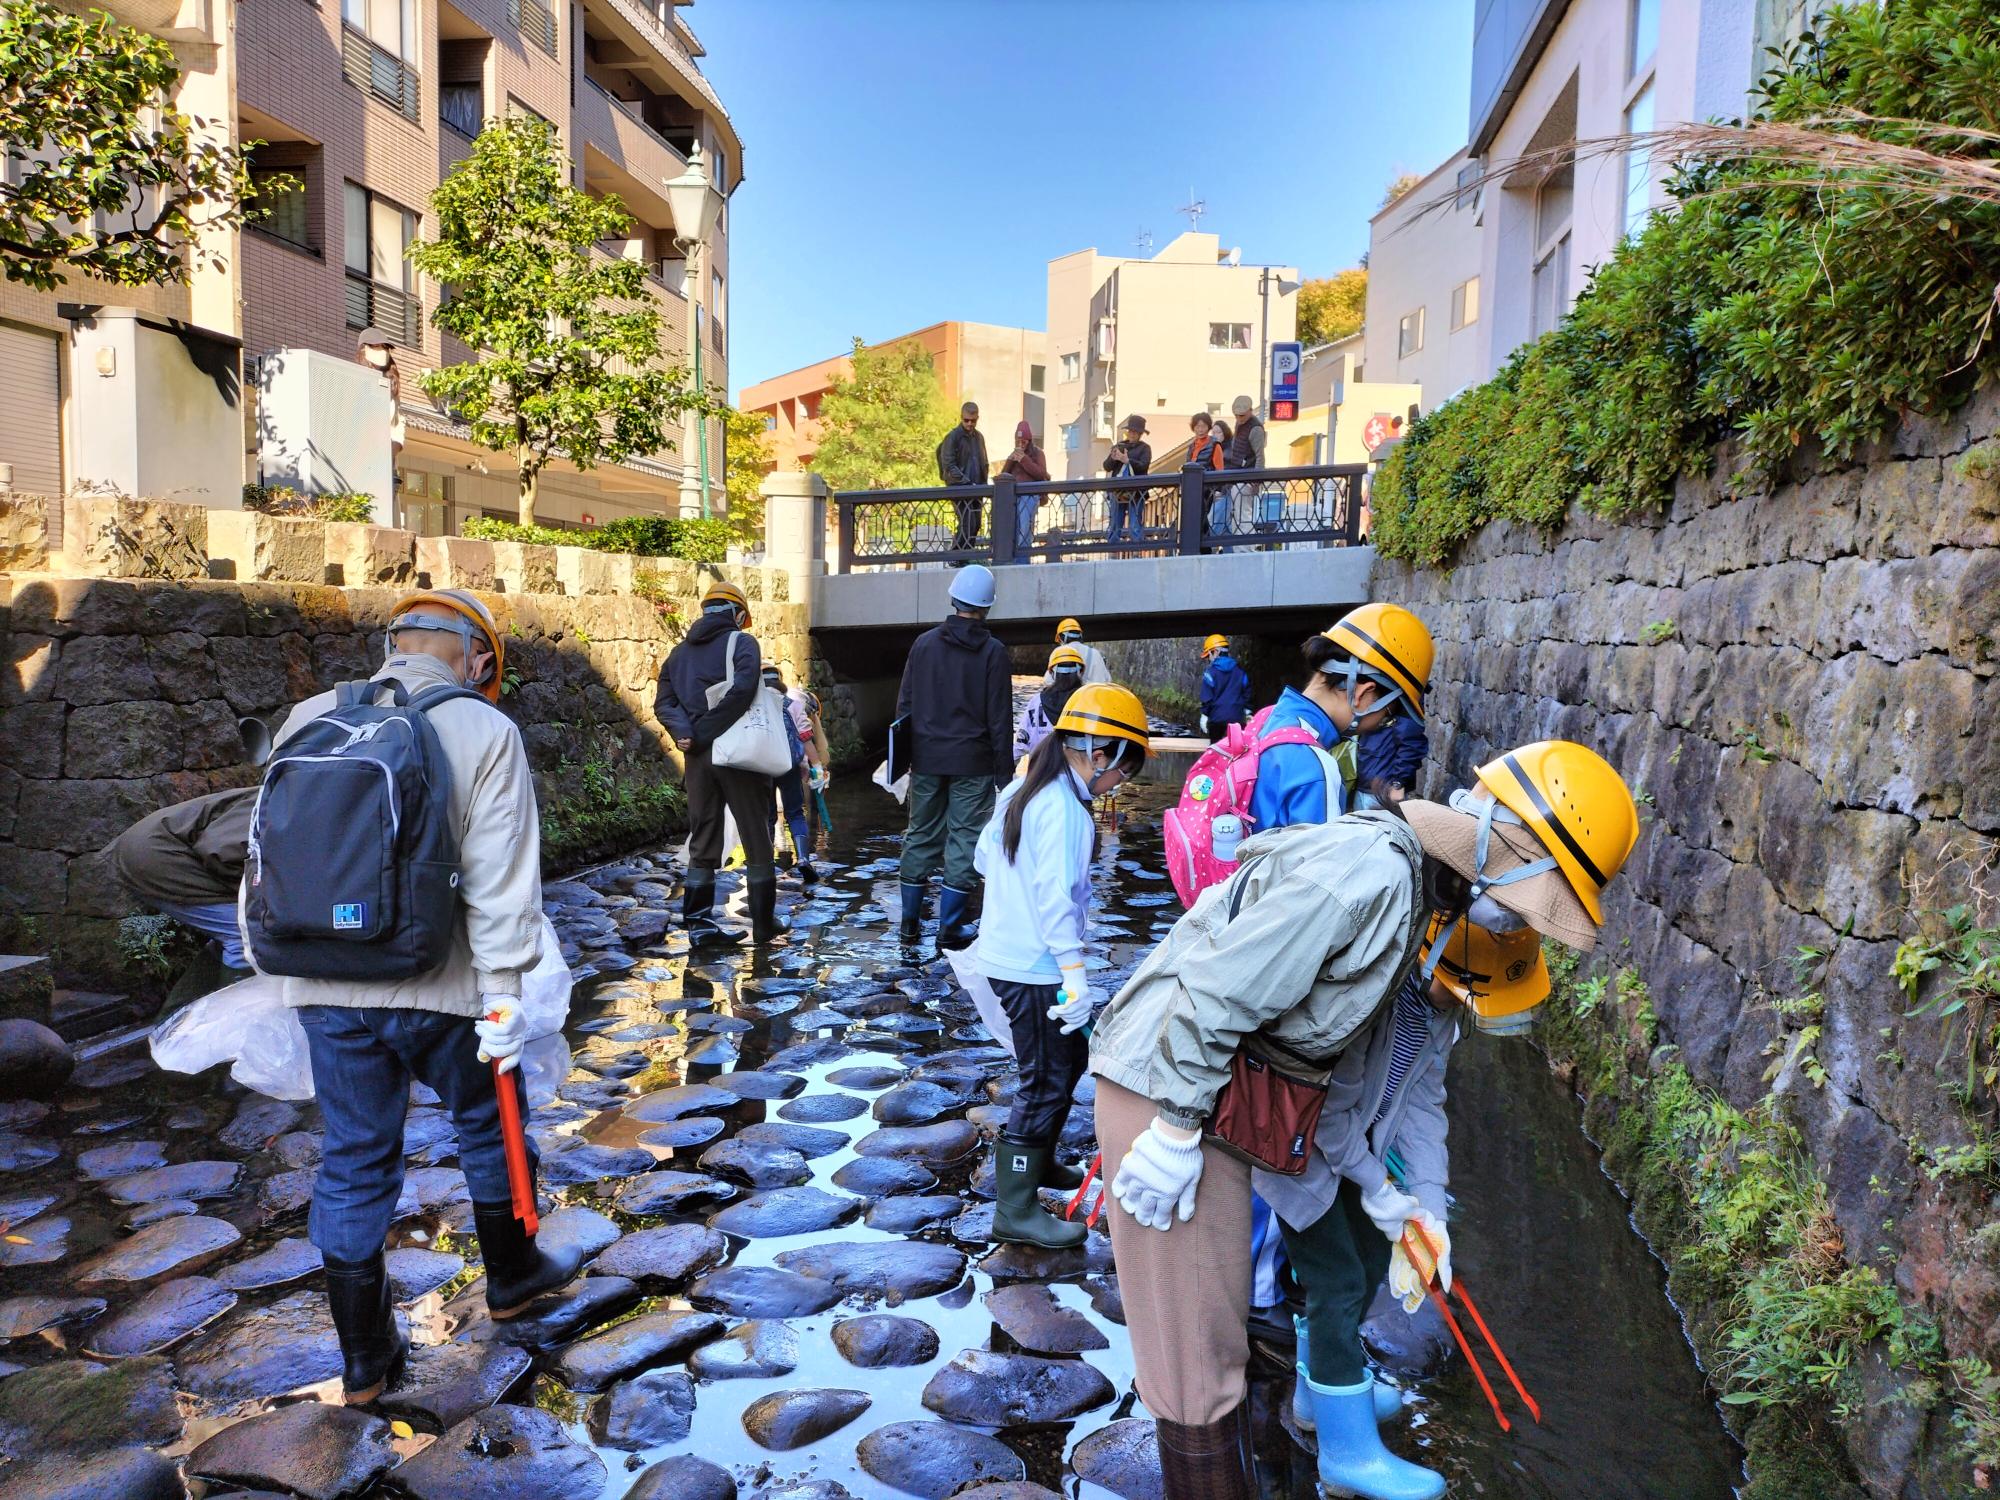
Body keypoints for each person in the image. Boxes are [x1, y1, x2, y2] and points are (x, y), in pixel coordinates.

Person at [1089, 742, 1641, 1498]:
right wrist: (1177, 1128)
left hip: (1217, 1101)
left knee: (1215, 1349)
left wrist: (1422, 1207)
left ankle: (1306, 1421)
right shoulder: (1375, 871)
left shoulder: (1422, 896)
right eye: (1535, 899)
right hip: (1174, 1091)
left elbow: (1405, 1096)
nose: (1525, 921)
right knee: (1197, 1366)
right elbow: (1220, 989)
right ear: (1505, 850)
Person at [268, 589, 580, 1406]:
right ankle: (513, 1277)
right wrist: (507, 990)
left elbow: (269, 857)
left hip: (325, 982)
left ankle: (366, 1363)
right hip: (442, 984)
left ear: (394, 643)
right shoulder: (484, 727)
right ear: (479, 659)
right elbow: (502, 875)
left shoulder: (308, 717)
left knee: (355, 1153)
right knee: (485, 1119)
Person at [975, 682, 1150, 1248]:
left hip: (1008, 954)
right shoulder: (1067, 811)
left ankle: (1040, 1160)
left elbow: (983, 858)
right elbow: (1056, 900)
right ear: (1100, 754)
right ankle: (1016, 1208)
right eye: (1124, 772)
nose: (1119, 785)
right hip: (1034, 966)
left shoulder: (1024, 786)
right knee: (1045, 1080)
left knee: (1067, 1057)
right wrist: (1075, 976)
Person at [656, 580, 783, 946]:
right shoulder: (742, 643)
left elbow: (664, 702)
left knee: (704, 837)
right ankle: (762, 927)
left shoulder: (677, 654)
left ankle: (698, 928)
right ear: (739, 615)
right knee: (756, 836)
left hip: (697, 760)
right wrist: (706, 731)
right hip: (738, 754)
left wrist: (686, 733)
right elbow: (743, 691)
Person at [897, 564, 1012, 950]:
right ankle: (949, 929)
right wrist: (1004, 773)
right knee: (964, 839)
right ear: (987, 607)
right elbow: (999, 716)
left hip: (927, 758)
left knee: (920, 835)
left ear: (953, 597)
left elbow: (905, 706)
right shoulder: (993, 652)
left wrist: (904, 757)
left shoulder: (923, 644)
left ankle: (908, 926)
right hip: (974, 763)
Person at [1251, 604, 1434, 833]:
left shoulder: (1266, 719)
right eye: (1388, 714)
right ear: (1363, 693)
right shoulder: (1316, 769)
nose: (1379, 723)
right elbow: (1320, 867)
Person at [110, 785, 258, 1003]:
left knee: (240, 929)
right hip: (157, 856)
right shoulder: (286, 804)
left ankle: (178, 1020)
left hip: (158, 850)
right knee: (244, 935)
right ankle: (232, 1023)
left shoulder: (295, 793)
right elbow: (218, 850)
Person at [762, 664, 816, 884]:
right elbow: (805, 737)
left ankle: (765, 862)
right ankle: (803, 858)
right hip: (789, 765)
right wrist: (816, 767)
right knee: (795, 813)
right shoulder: (793, 705)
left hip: (762, 766)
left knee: (768, 815)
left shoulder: (753, 706)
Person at [1014, 644, 1087, 762]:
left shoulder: (1037, 701)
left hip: (1040, 773)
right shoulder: (1087, 701)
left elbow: (1021, 741)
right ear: (1080, 671)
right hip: (1077, 774)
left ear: (1052, 672)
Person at [937, 401, 988, 552]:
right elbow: (949, 465)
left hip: (977, 488)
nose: (970, 423)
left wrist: (983, 486)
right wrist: (966, 483)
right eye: (966, 420)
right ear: (961, 418)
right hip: (959, 488)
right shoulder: (952, 437)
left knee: (976, 523)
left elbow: (983, 463)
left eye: (973, 421)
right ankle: (956, 557)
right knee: (967, 522)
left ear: (977, 418)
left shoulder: (979, 438)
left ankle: (966, 555)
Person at [1000, 419, 1049, 562]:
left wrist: (1024, 460)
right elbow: (1003, 475)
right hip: (1012, 497)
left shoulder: (1038, 453)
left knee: (1024, 531)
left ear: (1029, 440)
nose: (1021, 444)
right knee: (1012, 531)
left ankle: (1023, 561)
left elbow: (1041, 474)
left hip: (1029, 496)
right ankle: (1011, 561)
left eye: (1024, 442)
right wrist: (1010, 460)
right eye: (1018, 441)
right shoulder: (1014, 454)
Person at [1103, 414, 1151, 551]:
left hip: (1136, 492)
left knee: (1135, 525)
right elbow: (1107, 466)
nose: (1132, 434)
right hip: (1117, 491)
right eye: (1130, 431)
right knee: (1115, 523)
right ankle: (1112, 551)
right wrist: (1114, 458)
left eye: (1135, 432)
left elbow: (1144, 466)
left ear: (1140, 434)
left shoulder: (1145, 448)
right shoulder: (1118, 446)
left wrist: (1128, 460)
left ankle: (1136, 551)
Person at [1197, 634, 1251, 742]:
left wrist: (1204, 716)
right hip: (1238, 719)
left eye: (1209, 655)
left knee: (1216, 751)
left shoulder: (1210, 673)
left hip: (1216, 720)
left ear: (1216, 652)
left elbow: (1207, 697)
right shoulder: (1240, 671)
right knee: (1238, 753)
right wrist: (1247, 712)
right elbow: (1246, 693)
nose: (1209, 659)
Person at [1053, 618, 1112, 685]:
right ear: (1080, 635)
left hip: (1074, 695)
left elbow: (1049, 680)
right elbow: (1108, 679)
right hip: (1097, 694)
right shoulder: (1095, 653)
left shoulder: (1059, 652)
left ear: (1061, 638)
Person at [1225, 395, 1267, 470]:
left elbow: (1260, 457)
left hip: (1248, 471)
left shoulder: (1256, 429)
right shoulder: (1239, 422)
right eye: (1236, 415)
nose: (1238, 418)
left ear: (1250, 411)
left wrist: (1257, 478)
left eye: (1242, 415)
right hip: (1236, 467)